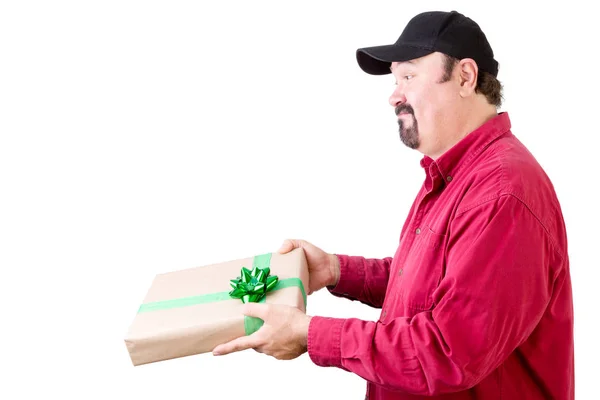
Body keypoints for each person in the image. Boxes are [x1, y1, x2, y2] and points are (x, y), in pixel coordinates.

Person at [212, 10, 574, 399]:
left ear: (465, 77)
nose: (394, 95)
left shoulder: (503, 194)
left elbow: (449, 352)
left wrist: (310, 333)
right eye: (394, 79)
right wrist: (336, 271)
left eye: (409, 76)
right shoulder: (455, 175)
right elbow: (433, 290)